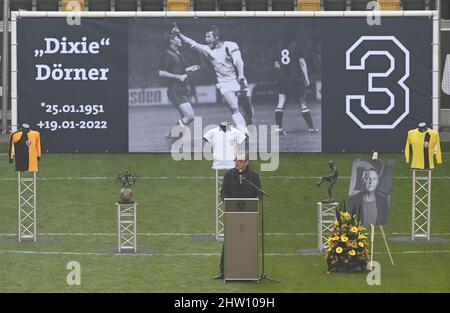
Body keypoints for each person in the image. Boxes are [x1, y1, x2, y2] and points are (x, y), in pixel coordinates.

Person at [172, 24, 252, 136]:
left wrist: (241, 75)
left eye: (209, 37)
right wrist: (179, 34)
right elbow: (192, 43)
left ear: (217, 37)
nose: (206, 39)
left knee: (249, 112)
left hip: (239, 79)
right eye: (206, 37)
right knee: (234, 107)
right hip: (224, 83)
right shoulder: (207, 49)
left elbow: (238, 61)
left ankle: (248, 122)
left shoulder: (231, 45)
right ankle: (245, 134)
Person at [213, 152, 263, 280]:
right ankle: (223, 271)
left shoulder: (254, 176)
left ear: (247, 162)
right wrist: (229, 202)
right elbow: (223, 192)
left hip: (249, 216)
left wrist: (251, 203)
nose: (237, 163)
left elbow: (259, 194)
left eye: (240, 161)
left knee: (249, 242)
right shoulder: (229, 175)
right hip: (232, 214)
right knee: (229, 242)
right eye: (236, 160)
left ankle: (249, 271)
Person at [158, 32, 200, 137]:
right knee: (189, 116)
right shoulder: (167, 54)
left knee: (188, 117)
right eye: (178, 38)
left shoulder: (177, 53)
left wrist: (189, 69)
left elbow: (179, 71)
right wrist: (178, 77)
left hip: (181, 89)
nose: (180, 40)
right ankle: (171, 136)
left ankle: (174, 140)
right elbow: (161, 72)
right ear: (172, 40)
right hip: (175, 89)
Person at [273, 41, 318, 135]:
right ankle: (311, 128)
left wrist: (281, 75)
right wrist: (306, 77)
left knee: (280, 103)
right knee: (302, 104)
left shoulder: (278, 46)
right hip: (296, 79)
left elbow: (276, 65)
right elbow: (301, 62)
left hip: (283, 79)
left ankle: (279, 130)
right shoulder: (297, 45)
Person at [347, 161, 388, 225]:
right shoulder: (352, 200)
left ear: (378, 182)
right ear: (363, 180)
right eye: (367, 178)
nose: (370, 182)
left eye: (374, 179)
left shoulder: (383, 201)